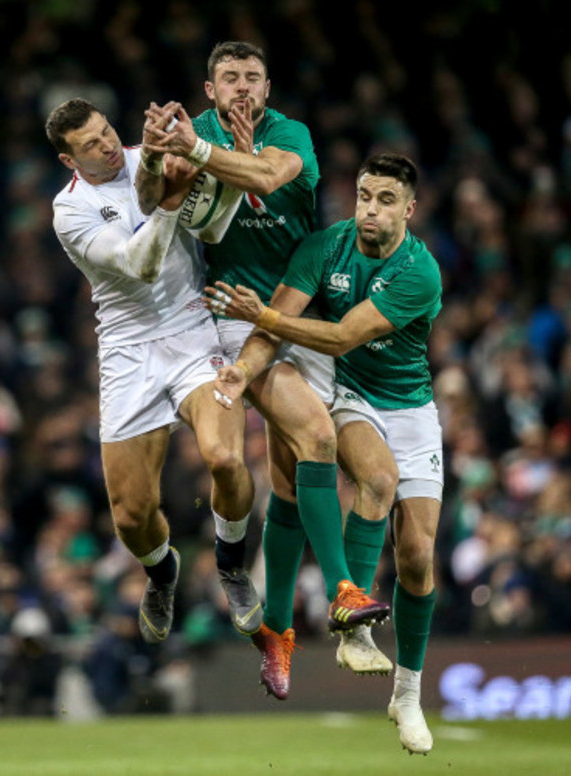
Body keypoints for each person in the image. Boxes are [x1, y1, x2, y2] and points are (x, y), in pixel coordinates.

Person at [137, 41, 390, 697]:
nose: (242, 88)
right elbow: (156, 199)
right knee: (315, 437)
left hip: (299, 308)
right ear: (210, 87)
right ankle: (342, 591)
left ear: (269, 87)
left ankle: (276, 631)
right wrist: (183, 155)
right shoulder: (190, 133)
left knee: (287, 477)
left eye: (253, 77)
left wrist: (202, 152)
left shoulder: (290, 135)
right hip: (233, 315)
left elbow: (271, 176)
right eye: (230, 78)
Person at [204, 152, 443, 755]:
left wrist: (262, 315)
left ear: (408, 210)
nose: (371, 209)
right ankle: (351, 622)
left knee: (416, 556)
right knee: (376, 480)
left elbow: (338, 334)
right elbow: (276, 321)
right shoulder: (324, 247)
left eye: (386, 200)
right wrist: (241, 372)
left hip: (411, 406)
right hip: (352, 391)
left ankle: (407, 692)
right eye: (365, 195)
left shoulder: (420, 272)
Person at [45, 97, 263, 645]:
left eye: (107, 131)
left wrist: (230, 165)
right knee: (131, 515)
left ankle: (232, 564)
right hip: (128, 351)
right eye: (90, 145)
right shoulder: (70, 210)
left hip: (192, 331)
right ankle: (161, 571)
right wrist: (169, 201)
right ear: (70, 162)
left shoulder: (160, 155)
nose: (107, 145)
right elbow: (139, 266)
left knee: (226, 457)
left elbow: (212, 228)